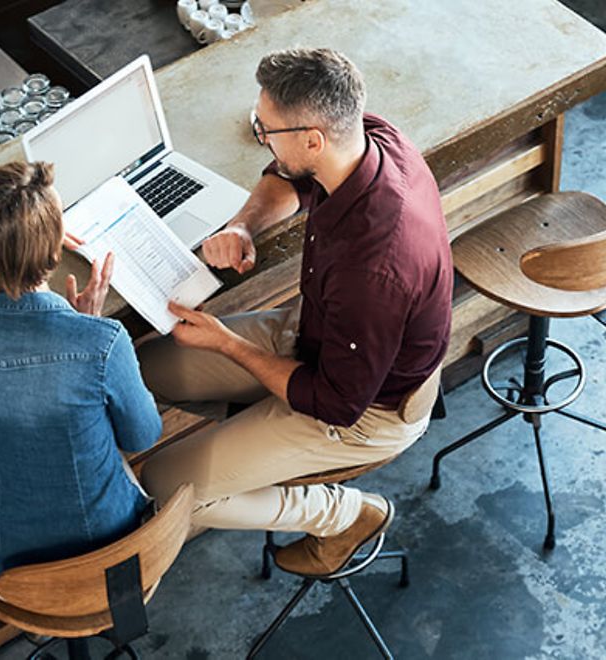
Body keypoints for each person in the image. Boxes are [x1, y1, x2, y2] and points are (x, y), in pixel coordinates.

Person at [137, 48, 453, 576]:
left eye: (268, 130)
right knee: (149, 368)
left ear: (313, 138)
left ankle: (345, 516)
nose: (261, 137)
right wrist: (242, 225)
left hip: (365, 409)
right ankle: (258, 431)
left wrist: (228, 345)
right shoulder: (368, 137)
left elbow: (335, 403)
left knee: (165, 484)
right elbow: (293, 177)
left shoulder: (373, 269)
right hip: (318, 335)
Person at [0, 161, 162, 599]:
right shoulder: (103, 343)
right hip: (113, 555)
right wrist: (83, 326)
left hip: (5, 569)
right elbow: (143, 436)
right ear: (54, 251)